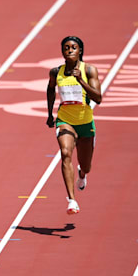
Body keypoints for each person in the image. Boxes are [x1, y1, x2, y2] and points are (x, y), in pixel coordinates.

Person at [46, 36, 102, 215]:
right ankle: (72, 200)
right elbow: (50, 89)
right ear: (62, 51)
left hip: (85, 122)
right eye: (66, 48)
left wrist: (81, 81)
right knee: (65, 153)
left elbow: (98, 98)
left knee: (86, 165)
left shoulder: (89, 70)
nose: (70, 50)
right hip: (65, 120)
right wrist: (49, 114)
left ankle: (82, 174)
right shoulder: (56, 72)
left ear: (80, 51)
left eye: (74, 47)